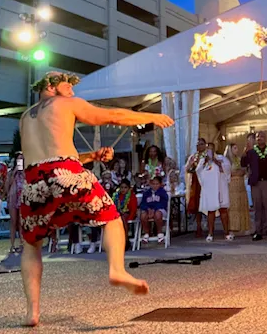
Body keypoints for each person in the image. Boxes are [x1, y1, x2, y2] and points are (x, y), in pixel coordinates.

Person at [18, 71, 173, 326]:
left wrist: (91, 156)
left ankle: (32, 312)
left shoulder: (25, 118)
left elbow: (48, 159)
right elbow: (113, 116)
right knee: (112, 218)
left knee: (31, 244)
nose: (73, 90)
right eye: (69, 85)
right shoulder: (67, 104)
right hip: (68, 176)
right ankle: (117, 270)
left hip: (35, 183)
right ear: (52, 86)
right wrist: (153, 117)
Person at [242, 131, 267, 241]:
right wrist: (245, 153)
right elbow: (243, 164)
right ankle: (258, 231)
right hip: (256, 183)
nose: (260, 138)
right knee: (257, 207)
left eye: (262, 136)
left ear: (265, 138)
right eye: (258, 137)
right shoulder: (251, 152)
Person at [197, 144, 231, 242]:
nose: (210, 150)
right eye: (208, 148)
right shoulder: (204, 160)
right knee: (211, 211)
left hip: (221, 188)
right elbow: (198, 171)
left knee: (223, 210)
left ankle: (226, 233)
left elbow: (227, 170)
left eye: (211, 148)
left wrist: (218, 163)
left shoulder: (221, 158)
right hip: (210, 190)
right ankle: (210, 233)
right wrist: (205, 162)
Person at [224, 143, 251, 235]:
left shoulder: (239, 159)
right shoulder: (227, 161)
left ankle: (243, 227)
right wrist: (237, 172)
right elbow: (229, 172)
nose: (237, 150)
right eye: (235, 148)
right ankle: (232, 228)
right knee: (233, 207)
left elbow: (243, 170)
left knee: (242, 205)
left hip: (240, 185)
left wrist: (239, 172)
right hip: (232, 186)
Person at [185, 138, 207, 238]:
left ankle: (210, 227)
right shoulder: (193, 157)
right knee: (197, 205)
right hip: (196, 183)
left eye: (202, 144)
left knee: (208, 205)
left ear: (205, 145)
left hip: (207, 183)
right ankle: (198, 227)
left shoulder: (208, 156)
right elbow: (187, 169)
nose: (200, 146)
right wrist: (191, 167)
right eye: (198, 145)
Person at [6, 152, 26, 254]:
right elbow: (7, 186)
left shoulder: (26, 171)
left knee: (21, 222)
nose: (20, 162)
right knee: (13, 222)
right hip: (13, 198)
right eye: (19, 160)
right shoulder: (10, 172)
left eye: (22, 159)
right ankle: (12, 245)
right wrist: (14, 172)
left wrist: (23, 172)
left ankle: (22, 244)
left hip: (23, 198)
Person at [140, 176, 169, 245]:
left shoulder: (163, 192)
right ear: (150, 184)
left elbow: (163, 203)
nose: (155, 186)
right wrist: (148, 209)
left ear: (160, 184)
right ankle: (147, 233)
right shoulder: (146, 193)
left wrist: (154, 209)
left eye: (157, 184)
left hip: (159, 210)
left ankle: (159, 233)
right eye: (153, 184)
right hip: (149, 210)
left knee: (158, 214)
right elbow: (143, 204)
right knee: (143, 216)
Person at [112, 179, 138, 251]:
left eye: (125, 187)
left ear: (129, 188)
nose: (123, 189)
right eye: (122, 187)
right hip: (117, 214)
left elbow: (133, 209)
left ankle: (125, 240)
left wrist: (129, 218)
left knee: (122, 219)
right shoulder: (116, 196)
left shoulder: (132, 196)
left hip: (128, 214)